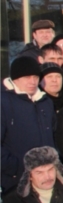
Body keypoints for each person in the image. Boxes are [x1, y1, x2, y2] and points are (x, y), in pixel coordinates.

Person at [1, 57, 56, 195]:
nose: (32, 81)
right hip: (16, 181)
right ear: (15, 79)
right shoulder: (4, 102)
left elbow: (55, 135)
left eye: (35, 77)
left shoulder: (45, 101)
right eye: (27, 77)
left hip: (47, 178)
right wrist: (17, 167)